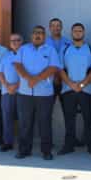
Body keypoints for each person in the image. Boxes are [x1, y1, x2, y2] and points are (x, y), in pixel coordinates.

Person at [13, 25, 61, 160]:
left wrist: (37, 79)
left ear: (44, 36)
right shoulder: (23, 49)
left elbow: (53, 67)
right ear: (31, 36)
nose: (37, 35)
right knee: (25, 123)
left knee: (44, 123)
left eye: (40, 33)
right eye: (35, 33)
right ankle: (24, 150)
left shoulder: (50, 50)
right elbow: (17, 65)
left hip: (44, 94)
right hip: (25, 93)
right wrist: (29, 78)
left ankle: (46, 151)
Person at [58, 23, 91, 156]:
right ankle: (68, 145)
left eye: (80, 31)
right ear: (71, 33)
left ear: (84, 33)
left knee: (88, 119)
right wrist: (71, 84)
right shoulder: (65, 49)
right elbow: (60, 69)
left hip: (87, 90)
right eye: (75, 31)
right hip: (68, 90)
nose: (77, 33)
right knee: (69, 119)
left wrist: (81, 85)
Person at [0, 33, 23, 151]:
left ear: (21, 42)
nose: (14, 42)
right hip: (6, 91)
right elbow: (0, 73)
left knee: (24, 118)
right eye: (12, 40)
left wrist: (17, 85)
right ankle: (8, 142)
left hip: (23, 92)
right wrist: (7, 86)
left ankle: (24, 143)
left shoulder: (26, 55)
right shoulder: (5, 56)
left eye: (17, 40)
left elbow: (29, 73)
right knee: (7, 118)